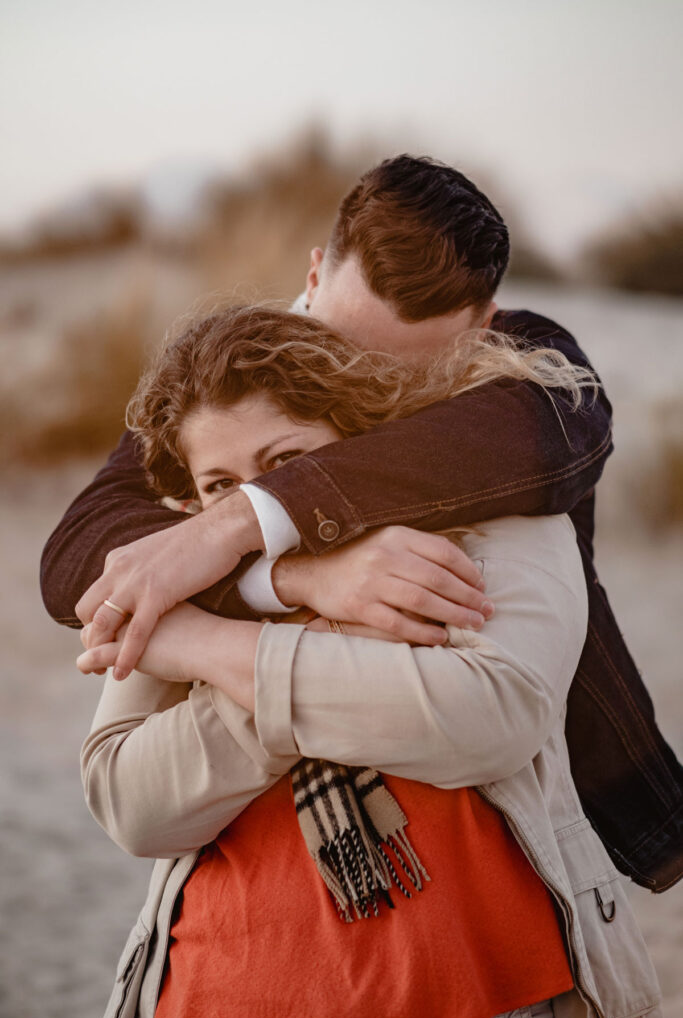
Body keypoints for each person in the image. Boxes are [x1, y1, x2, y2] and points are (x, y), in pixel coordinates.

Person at [42, 155, 683, 891]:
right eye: (342, 344)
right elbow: (76, 556)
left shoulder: (520, 378)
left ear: (483, 322)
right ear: (313, 277)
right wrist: (292, 573)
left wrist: (237, 528)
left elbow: (558, 436)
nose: (361, 383)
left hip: (521, 807)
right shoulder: (236, 368)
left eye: (401, 372)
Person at [78, 305, 662, 1018]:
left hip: (488, 996)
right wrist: (325, 627)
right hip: (216, 996)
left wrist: (210, 651)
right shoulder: (179, 571)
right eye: (220, 486)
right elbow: (128, 804)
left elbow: (488, 717)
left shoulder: (487, 511)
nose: (254, 503)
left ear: (351, 439)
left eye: (285, 463)